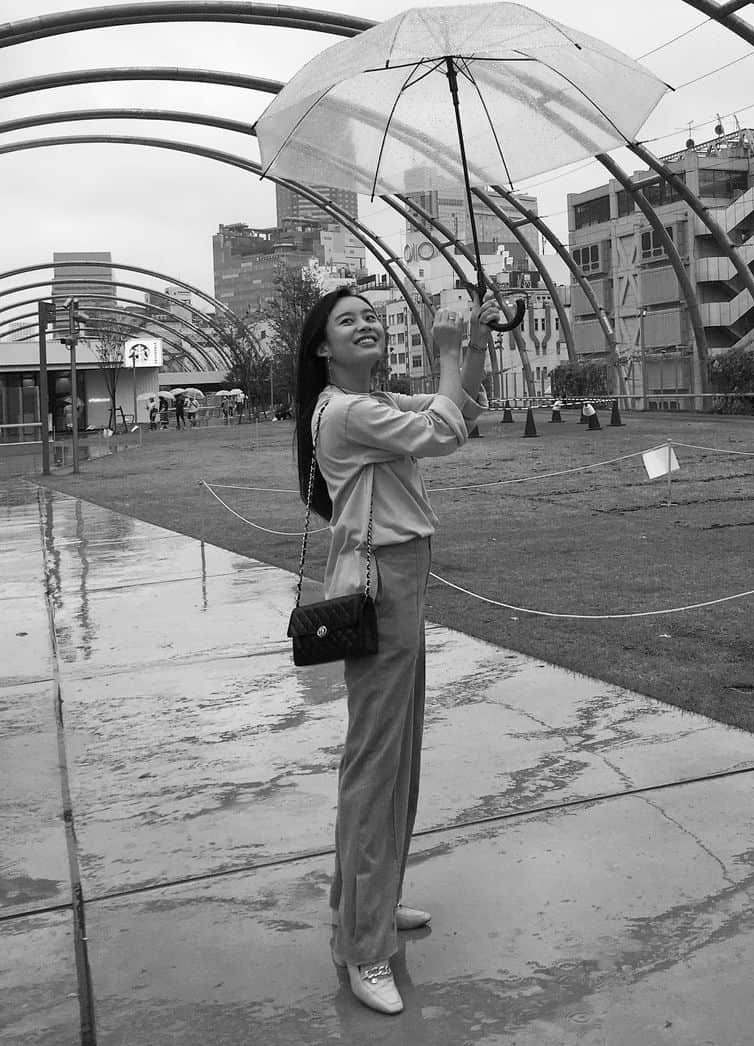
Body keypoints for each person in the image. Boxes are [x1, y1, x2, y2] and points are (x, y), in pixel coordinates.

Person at [294, 285, 496, 1015]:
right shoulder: (346, 410)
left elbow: (457, 413)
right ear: (323, 347)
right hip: (383, 587)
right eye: (348, 321)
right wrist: (446, 351)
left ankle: (363, 905)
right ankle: (363, 947)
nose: (366, 325)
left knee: (390, 753)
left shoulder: (362, 405)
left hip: (396, 578)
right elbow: (441, 432)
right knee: (378, 765)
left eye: (370, 317)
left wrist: (470, 343)